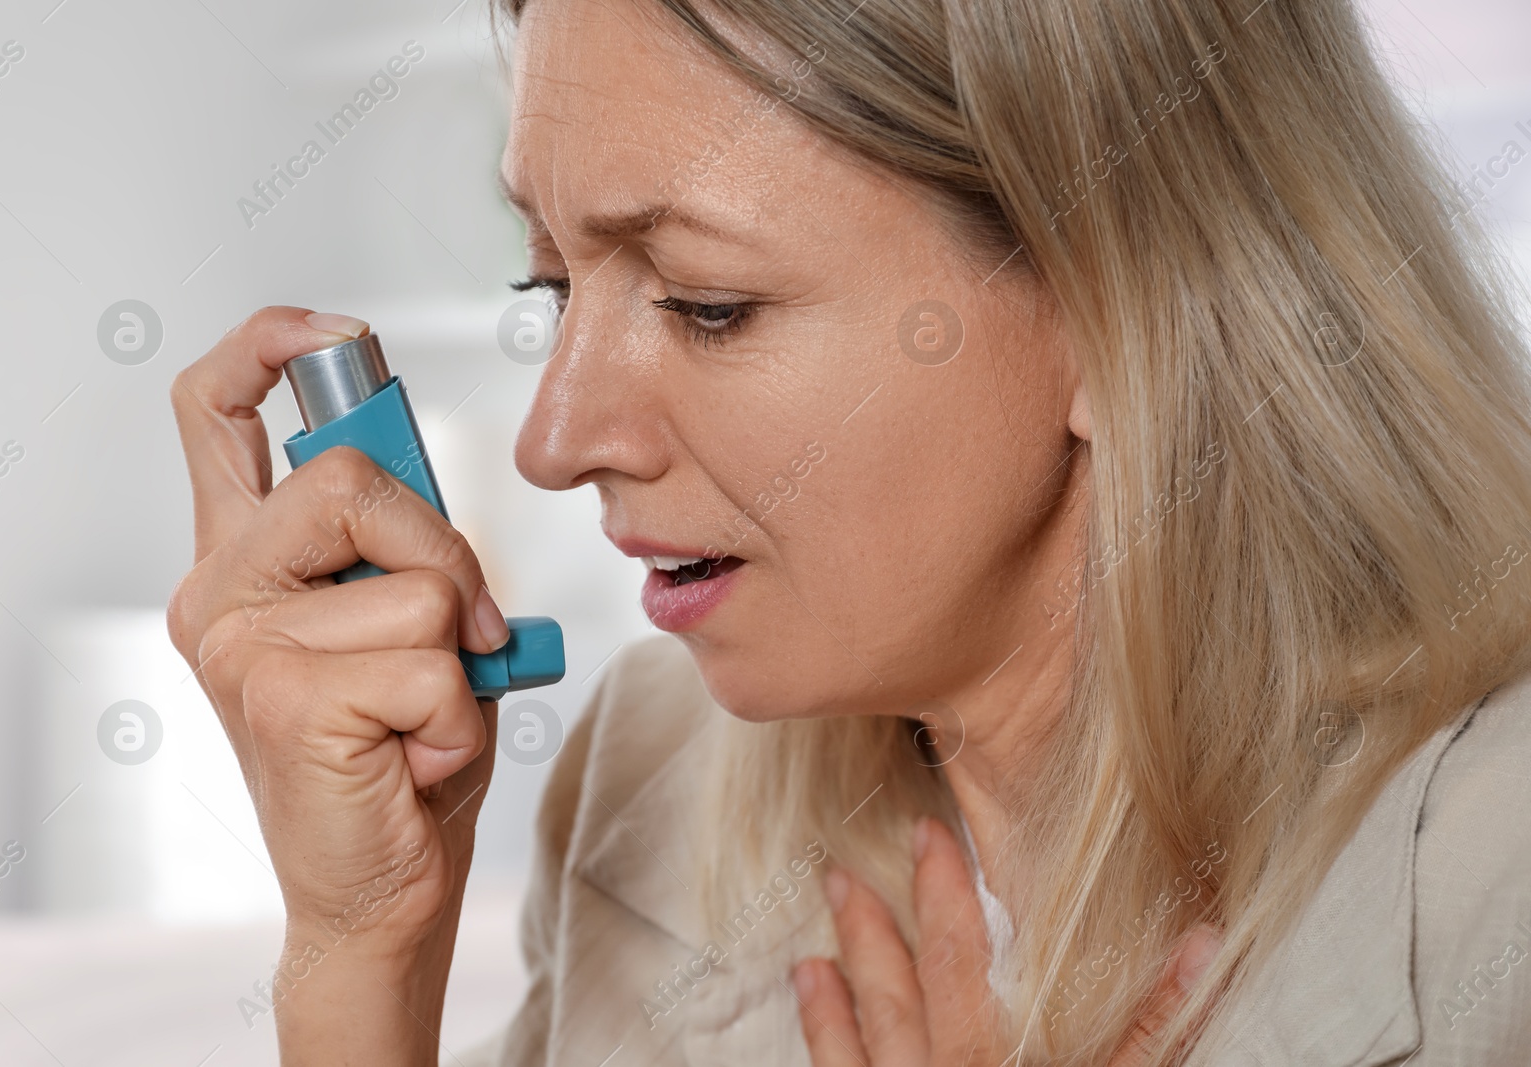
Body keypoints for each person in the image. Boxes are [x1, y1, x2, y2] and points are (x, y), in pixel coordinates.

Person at [165, 0, 1531, 1062]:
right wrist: (360, 958)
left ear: (1125, 310)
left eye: (706, 303)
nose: (555, 440)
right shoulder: (651, 781)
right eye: (553, 283)